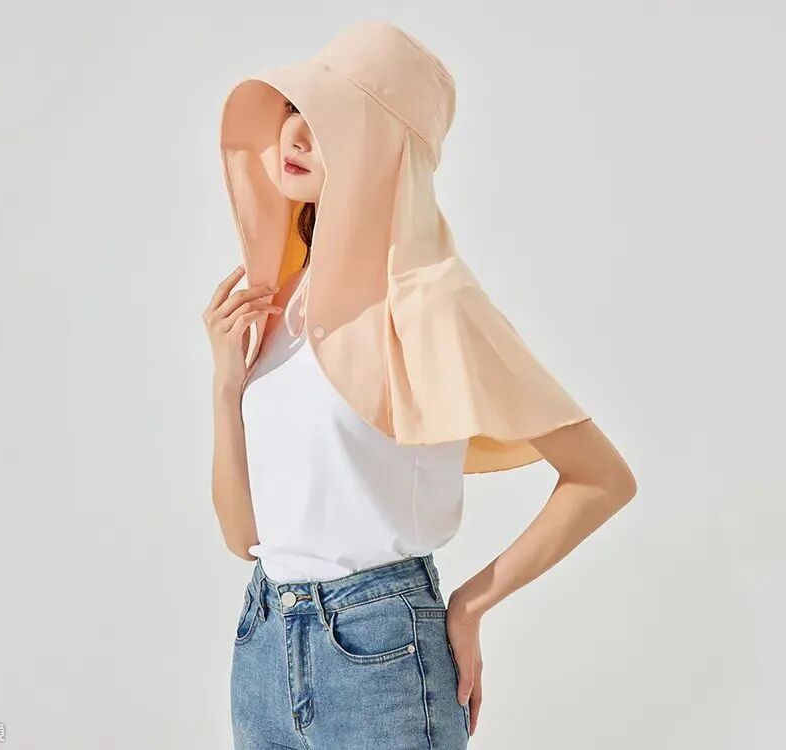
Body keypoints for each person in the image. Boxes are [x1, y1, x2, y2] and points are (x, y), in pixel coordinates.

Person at [205, 21, 637, 749]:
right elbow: (242, 536)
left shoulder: (431, 301)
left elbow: (601, 477)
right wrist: (225, 388)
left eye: (330, 120)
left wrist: (468, 606)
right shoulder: (281, 302)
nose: (296, 134)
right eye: (295, 110)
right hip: (261, 642)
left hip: (380, 653)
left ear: (381, 150)